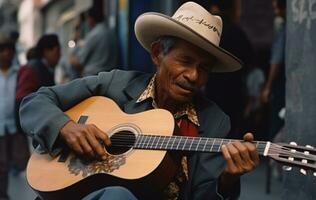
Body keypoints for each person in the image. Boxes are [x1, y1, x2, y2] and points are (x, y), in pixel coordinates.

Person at [20, 2, 259, 199]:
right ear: (157, 54)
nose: (194, 76)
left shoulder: (214, 122)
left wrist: (227, 180)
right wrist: (66, 127)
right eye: (185, 61)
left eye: (204, 68)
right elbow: (36, 101)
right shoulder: (116, 84)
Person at [205, 0, 255, 139]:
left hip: (214, 84)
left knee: (211, 121)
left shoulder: (211, 32)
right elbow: (249, 57)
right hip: (234, 85)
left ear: (214, 7)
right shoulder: (237, 30)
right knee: (232, 124)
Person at [0, 33, 28, 200]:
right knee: (1, 166)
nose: (6, 54)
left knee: (23, 161)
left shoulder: (20, 73)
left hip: (16, 125)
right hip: (0, 126)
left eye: (9, 50)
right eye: (2, 50)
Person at [16, 34, 61, 122]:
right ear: (47, 51)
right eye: (57, 51)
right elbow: (21, 100)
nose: (59, 56)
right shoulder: (31, 69)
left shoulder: (46, 68)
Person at [260, 0, 286, 140]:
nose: (276, 12)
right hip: (283, 83)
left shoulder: (284, 31)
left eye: (278, 8)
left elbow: (277, 60)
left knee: (277, 121)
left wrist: (268, 87)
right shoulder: (283, 28)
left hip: (280, 84)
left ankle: (274, 158)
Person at [69, 6, 117, 77]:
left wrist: (71, 59)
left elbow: (79, 62)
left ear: (91, 19)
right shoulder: (110, 32)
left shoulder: (94, 35)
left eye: (87, 18)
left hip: (94, 77)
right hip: (111, 75)